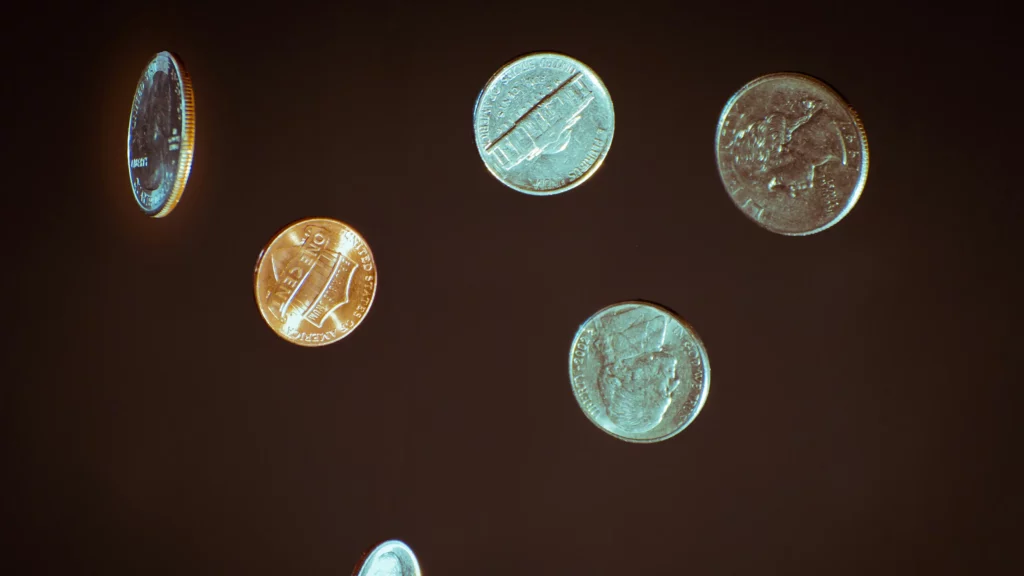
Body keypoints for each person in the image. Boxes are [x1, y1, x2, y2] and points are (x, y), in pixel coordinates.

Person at [595, 309, 683, 434]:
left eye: (663, 391)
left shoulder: (643, 319)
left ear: (637, 384)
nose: (675, 381)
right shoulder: (653, 330)